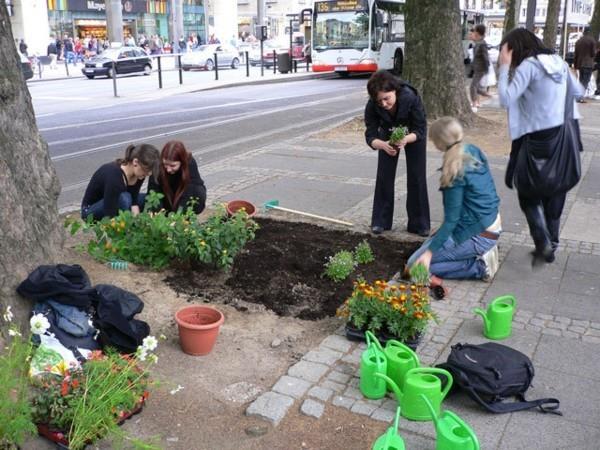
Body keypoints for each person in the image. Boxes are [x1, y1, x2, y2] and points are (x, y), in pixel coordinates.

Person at [498, 28, 583, 265]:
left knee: (528, 192)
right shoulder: (558, 61)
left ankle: (543, 242)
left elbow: (505, 99)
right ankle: (552, 244)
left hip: (535, 138)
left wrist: (504, 68)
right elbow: (579, 91)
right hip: (563, 137)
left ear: (515, 49)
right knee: (556, 188)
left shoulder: (529, 67)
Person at [407, 117, 501, 281]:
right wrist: (441, 231)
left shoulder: (453, 170)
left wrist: (429, 254)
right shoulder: (473, 150)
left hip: (478, 234)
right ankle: (471, 255)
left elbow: (452, 221)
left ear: (438, 142)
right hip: (490, 222)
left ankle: (480, 267)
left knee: (414, 267)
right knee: (425, 252)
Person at [364, 70, 430, 236]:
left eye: (387, 98)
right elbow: (370, 134)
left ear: (395, 91)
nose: (384, 104)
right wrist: (382, 145)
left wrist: (407, 139)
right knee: (384, 175)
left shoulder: (410, 97)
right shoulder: (372, 105)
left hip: (412, 132)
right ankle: (381, 222)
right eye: (380, 101)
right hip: (387, 132)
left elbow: (421, 128)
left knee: (417, 175)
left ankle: (419, 223)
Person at [81, 144, 160, 220]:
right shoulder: (114, 176)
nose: (149, 173)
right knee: (124, 198)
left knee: (147, 198)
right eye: (147, 169)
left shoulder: (139, 174)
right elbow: (109, 212)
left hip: (115, 202)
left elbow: (134, 198)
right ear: (135, 162)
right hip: (91, 210)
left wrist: (137, 218)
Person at [147, 141, 207, 214]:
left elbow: (189, 191)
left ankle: (186, 215)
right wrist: (157, 214)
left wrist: (178, 215)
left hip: (184, 195)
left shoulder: (189, 163)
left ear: (182, 162)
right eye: (165, 164)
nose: (168, 169)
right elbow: (153, 190)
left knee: (197, 190)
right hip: (166, 197)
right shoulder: (158, 165)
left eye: (173, 166)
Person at [469, 24, 490, 111]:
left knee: (473, 86)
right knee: (476, 86)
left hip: (481, 68)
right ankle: (484, 97)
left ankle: (474, 103)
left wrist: (486, 67)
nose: (473, 32)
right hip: (477, 68)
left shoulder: (482, 43)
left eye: (475, 30)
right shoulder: (478, 42)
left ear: (478, 32)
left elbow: (485, 56)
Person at [573, 26, 596, 102]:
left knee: (581, 80)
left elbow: (575, 54)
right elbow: (593, 54)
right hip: (588, 64)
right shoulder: (592, 40)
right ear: (589, 32)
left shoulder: (578, 41)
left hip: (580, 64)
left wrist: (575, 66)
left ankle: (578, 96)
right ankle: (580, 97)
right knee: (585, 81)